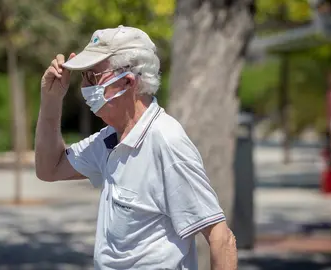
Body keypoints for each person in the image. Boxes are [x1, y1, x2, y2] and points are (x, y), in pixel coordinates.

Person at [35, 25, 237, 270]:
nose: (85, 87)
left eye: (93, 76)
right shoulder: (111, 138)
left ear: (127, 81)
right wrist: (51, 99)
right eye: (84, 76)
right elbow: (49, 168)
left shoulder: (166, 140)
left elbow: (221, 238)